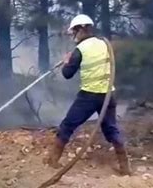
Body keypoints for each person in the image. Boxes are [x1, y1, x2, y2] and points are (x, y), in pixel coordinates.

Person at [44, 14, 131, 176]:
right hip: (107, 96)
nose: (74, 36)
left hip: (89, 97)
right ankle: (125, 168)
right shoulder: (104, 44)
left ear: (82, 29)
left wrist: (66, 62)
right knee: (111, 129)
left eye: (74, 32)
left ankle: (53, 159)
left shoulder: (80, 50)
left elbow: (67, 74)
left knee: (67, 125)